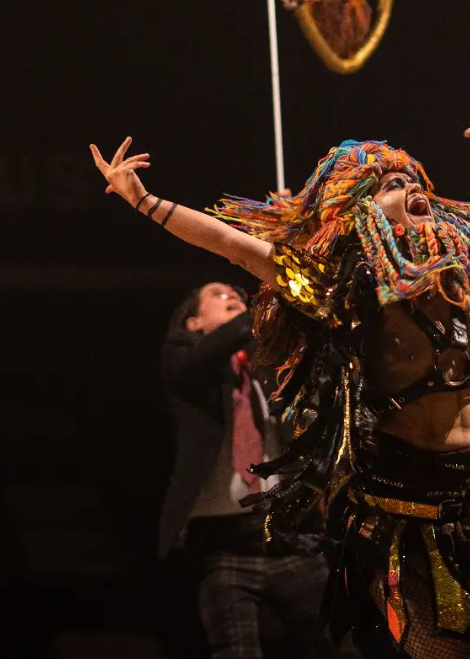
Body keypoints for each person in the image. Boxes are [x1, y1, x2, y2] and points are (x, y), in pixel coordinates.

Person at [91, 85, 470, 659]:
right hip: (406, 523)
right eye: (390, 185)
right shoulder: (351, 295)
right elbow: (234, 245)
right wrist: (144, 201)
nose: (412, 188)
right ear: (361, 215)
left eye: (414, 180)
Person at [158, 281, 346, 659]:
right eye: (219, 295)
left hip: (287, 534)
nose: (234, 296)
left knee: (336, 646)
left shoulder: (262, 366)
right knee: (235, 650)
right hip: (222, 544)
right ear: (193, 322)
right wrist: (255, 313)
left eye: (238, 296)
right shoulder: (183, 358)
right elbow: (195, 364)